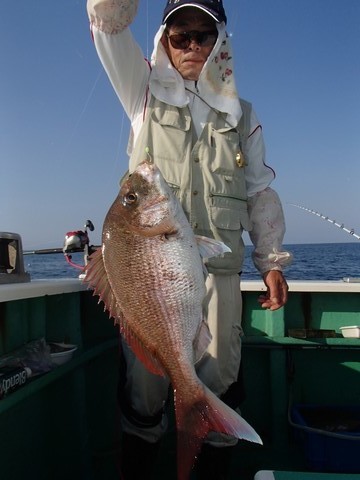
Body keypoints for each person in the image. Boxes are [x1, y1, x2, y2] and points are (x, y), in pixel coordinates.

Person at [86, 1, 292, 478]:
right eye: (182, 36)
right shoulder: (141, 92)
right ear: (165, 41)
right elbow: (107, 27)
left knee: (219, 377)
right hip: (149, 278)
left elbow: (260, 191)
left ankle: (204, 457)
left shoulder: (243, 115)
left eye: (205, 35)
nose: (193, 45)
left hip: (218, 272)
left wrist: (272, 260)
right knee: (144, 390)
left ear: (220, 42)